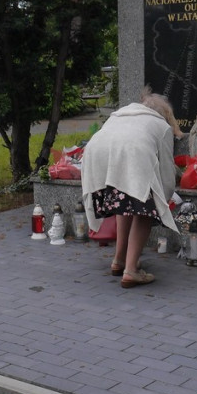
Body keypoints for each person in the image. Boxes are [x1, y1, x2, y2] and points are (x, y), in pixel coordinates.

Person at [80, 89, 183, 287]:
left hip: (98, 157)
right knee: (145, 212)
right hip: (132, 155)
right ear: (165, 114)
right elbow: (167, 170)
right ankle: (131, 271)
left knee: (125, 203)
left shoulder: (120, 115)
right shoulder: (161, 126)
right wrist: (165, 198)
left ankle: (118, 261)